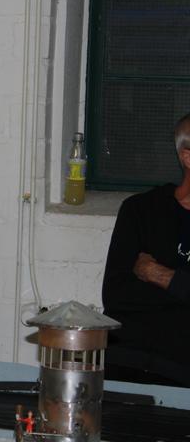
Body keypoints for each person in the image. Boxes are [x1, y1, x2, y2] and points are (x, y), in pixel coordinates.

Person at [102, 113, 190, 387]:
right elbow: (115, 296)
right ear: (187, 157)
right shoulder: (141, 210)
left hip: (183, 370)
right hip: (124, 360)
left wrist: (159, 274)